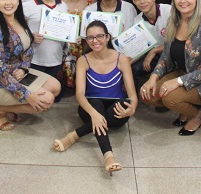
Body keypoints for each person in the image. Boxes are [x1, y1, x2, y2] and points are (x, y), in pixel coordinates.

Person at [52, 20, 137, 175]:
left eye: (99, 36)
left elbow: (132, 95)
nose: (95, 41)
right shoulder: (83, 60)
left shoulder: (121, 59)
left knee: (124, 103)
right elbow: (79, 94)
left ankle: (74, 135)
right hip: (90, 108)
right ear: (86, 40)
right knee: (96, 103)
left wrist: (132, 109)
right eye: (90, 38)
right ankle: (108, 156)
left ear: (107, 37)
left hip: (116, 112)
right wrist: (94, 114)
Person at [140, 0, 201, 135]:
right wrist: (153, 77)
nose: (183, 1)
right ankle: (186, 108)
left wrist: (178, 82)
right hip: (181, 72)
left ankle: (196, 115)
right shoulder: (174, 21)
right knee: (147, 94)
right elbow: (165, 57)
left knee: (169, 98)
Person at [0, 0, 60, 131]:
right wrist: (26, 95)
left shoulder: (19, 19)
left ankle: (7, 107)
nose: (8, 3)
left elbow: (28, 49)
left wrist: (23, 68)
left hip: (17, 73)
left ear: (18, 0)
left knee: (55, 87)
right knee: (46, 101)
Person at [23, 0, 68, 96]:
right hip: (35, 61)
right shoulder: (27, 6)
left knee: (55, 96)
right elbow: (17, 32)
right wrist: (30, 37)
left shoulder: (63, 6)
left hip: (56, 60)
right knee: (34, 94)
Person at [130, 0, 171, 77]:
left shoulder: (169, 11)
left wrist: (155, 50)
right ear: (134, 1)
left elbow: (178, 42)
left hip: (172, 51)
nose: (142, 2)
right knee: (136, 68)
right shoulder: (137, 21)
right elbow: (139, 49)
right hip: (154, 54)